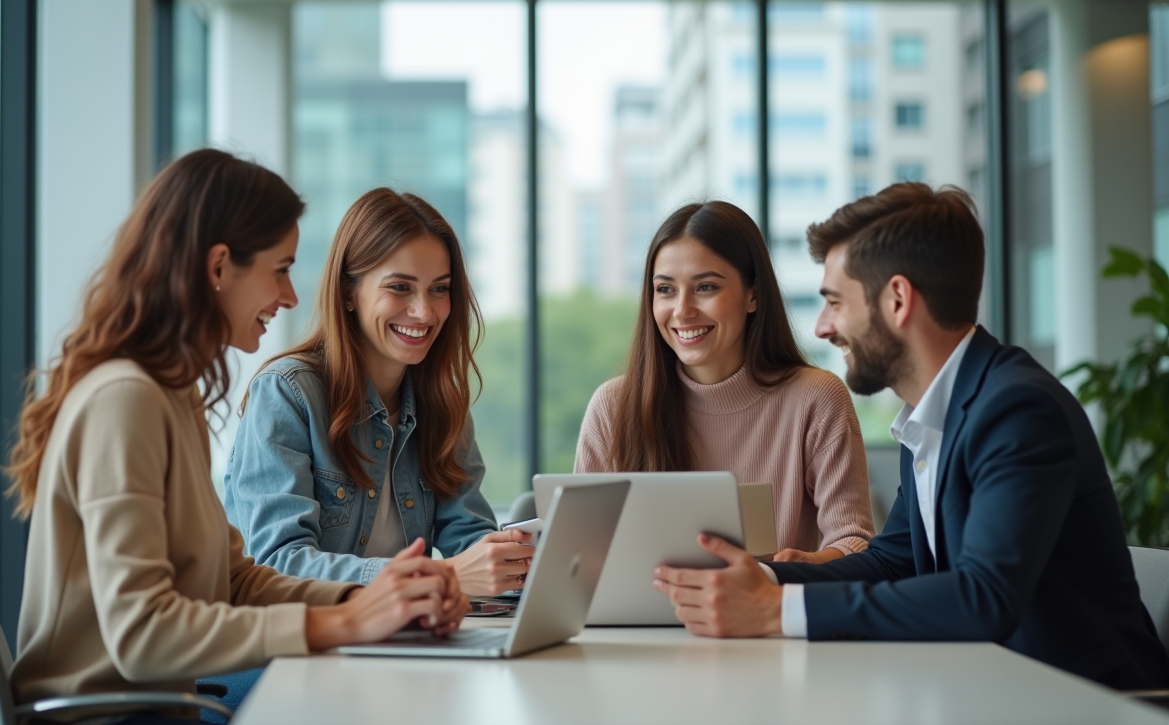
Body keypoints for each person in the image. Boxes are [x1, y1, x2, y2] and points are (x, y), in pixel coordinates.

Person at [651, 182, 1169, 690]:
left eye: (836, 302)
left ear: (897, 300)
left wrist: (776, 609)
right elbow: (891, 561)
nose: (823, 327)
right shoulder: (932, 414)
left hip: (1089, 702)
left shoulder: (1017, 410)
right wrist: (763, 580)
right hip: (997, 690)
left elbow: (983, 597)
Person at [6, 150, 467, 717]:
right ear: (220, 267)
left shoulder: (171, 396)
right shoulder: (124, 399)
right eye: (280, 269)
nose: (291, 296)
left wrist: (370, 598)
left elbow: (237, 580)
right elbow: (141, 633)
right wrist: (343, 621)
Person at [224, 188, 533, 596]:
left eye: (439, 289)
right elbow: (279, 564)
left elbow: (469, 542)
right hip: (300, 636)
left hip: (398, 631)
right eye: (400, 287)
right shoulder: (287, 394)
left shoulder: (441, 404)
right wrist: (441, 576)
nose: (424, 311)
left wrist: (518, 564)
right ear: (348, 293)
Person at [576, 200, 874, 563]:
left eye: (705, 287)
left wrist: (796, 569)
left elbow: (854, 541)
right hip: (640, 603)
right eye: (666, 290)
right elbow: (580, 557)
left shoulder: (816, 399)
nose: (682, 311)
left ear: (753, 295)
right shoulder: (613, 406)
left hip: (771, 599)